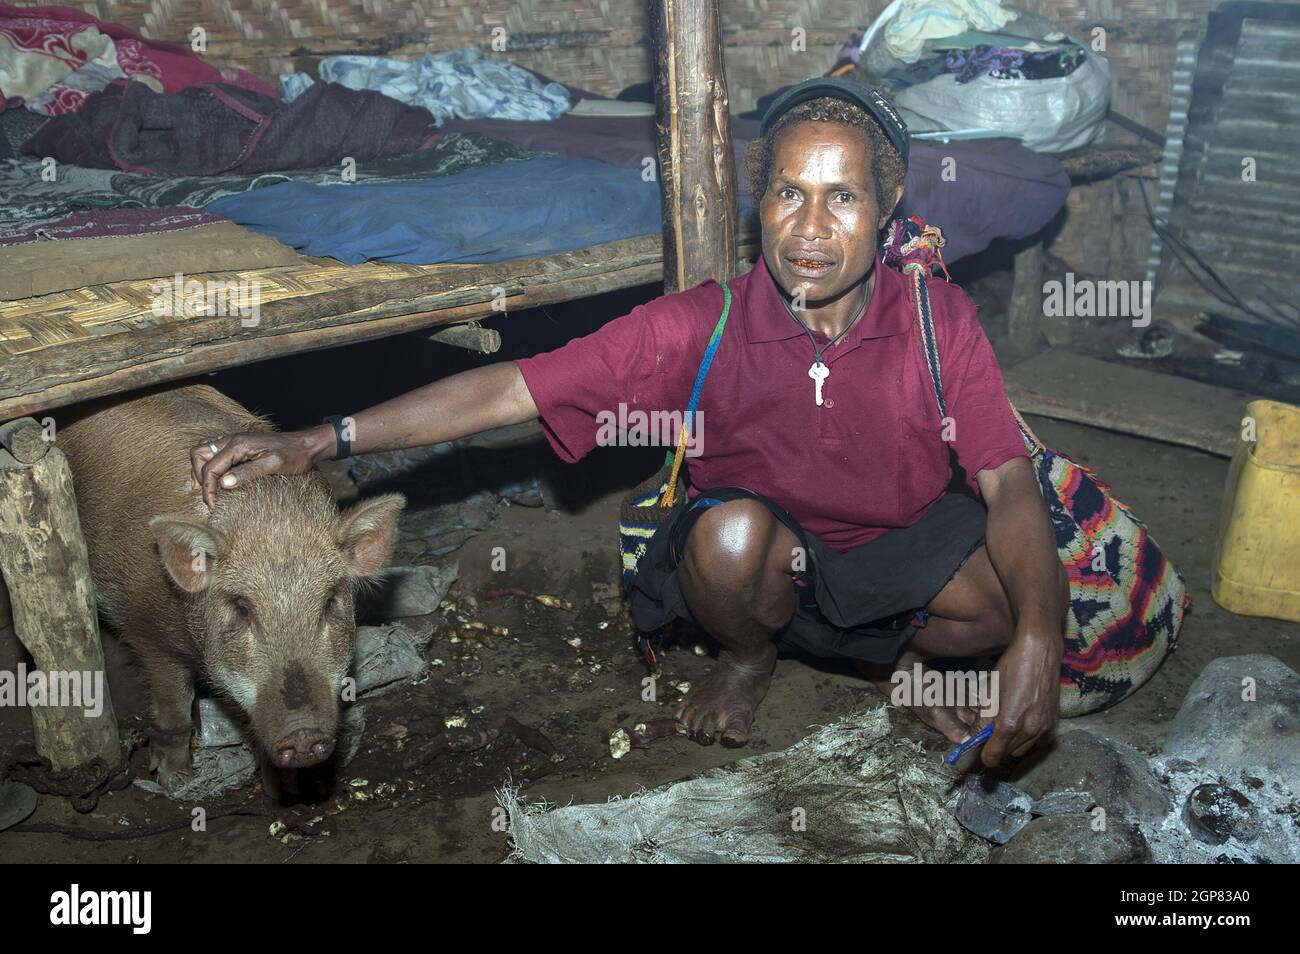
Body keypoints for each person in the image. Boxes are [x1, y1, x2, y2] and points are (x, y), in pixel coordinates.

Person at [191, 78, 1068, 768]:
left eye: (842, 199)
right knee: (725, 540)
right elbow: (511, 390)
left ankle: (892, 666)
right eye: (788, 194)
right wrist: (319, 437)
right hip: (762, 566)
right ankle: (749, 660)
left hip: (890, 549)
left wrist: (1037, 639)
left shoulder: (934, 319)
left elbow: (1008, 480)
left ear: (887, 206)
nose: (809, 229)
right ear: (756, 202)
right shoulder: (707, 320)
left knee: (1001, 601)